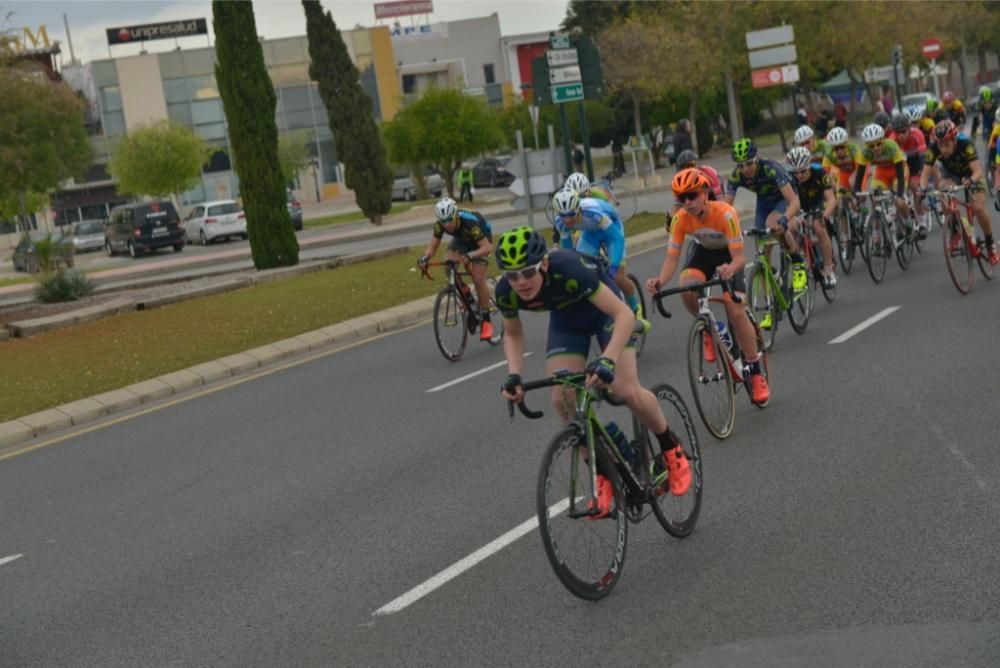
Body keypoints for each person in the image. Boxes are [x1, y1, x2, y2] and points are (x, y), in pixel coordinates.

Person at [495, 227, 692, 509]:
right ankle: (604, 474)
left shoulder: (570, 269)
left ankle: (671, 446)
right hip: (567, 321)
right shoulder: (506, 293)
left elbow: (623, 315)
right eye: (512, 275)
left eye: (528, 272)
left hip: (605, 312)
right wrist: (514, 375)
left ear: (545, 264)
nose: (521, 282)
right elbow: (512, 334)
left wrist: (607, 359)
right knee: (562, 399)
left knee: (624, 388)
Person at [647, 169, 770, 405]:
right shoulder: (680, 219)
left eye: (691, 195)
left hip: (728, 256)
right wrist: (660, 281)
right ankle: (709, 328)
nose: (687, 202)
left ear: (705, 193)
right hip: (703, 253)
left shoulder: (726, 214)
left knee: (734, 308)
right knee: (686, 286)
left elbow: (740, 259)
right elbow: (672, 258)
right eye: (681, 198)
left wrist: (730, 269)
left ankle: (755, 372)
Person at [723, 138, 806, 328]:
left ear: (757, 158)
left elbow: (794, 202)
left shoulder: (770, 169)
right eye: (741, 165)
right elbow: (725, 208)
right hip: (764, 202)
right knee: (762, 245)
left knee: (773, 224)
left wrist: (785, 219)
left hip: (783, 198)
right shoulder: (737, 175)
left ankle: (798, 262)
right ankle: (770, 304)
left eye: (749, 163)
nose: (745, 169)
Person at [918, 119, 998, 265]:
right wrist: (922, 189)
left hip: (971, 174)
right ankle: (954, 229)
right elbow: (925, 174)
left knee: (977, 207)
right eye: (940, 146)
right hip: (952, 174)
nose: (944, 150)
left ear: (954, 140)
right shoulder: (933, 148)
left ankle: (990, 243)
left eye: (947, 145)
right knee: (942, 188)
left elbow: (978, 171)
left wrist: (971, 180)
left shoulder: (965, 144)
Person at [551, 188, 641, 316]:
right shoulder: (560, 223)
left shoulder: (593, 213)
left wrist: (615, 266)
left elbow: (617, 239)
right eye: (562, 215)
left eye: (571, 214)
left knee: (618, 277)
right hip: (591, 233)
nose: (567, 220)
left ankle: (635, 308)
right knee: (581, 269)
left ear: (578, 208)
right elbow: (569, 253)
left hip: (611, 230)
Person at [418, 197, 496, 341]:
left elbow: (487, 247)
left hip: (481, 242)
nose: (447, 225)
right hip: (462, 240)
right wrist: (425, 258)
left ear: (455, 214)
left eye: (449, 220)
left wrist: (471, 255)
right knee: (449, 263)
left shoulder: (469, 222)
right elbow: (433, 247)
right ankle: (468, 298)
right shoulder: (440, 224)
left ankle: (486, 320)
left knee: (478, 278)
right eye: (443, 221)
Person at [786, 146, 837, 288]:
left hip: (818, 203)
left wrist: (825, 216)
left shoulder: (819, 172)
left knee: (818, 227)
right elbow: (788, 201)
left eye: (803, 171)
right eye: (796, 172)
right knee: (790, 228)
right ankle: (801, 253)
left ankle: (828, 269)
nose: (799, 175)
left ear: (809, 166)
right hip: (801, 204)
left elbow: (832, 199)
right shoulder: (789, 177)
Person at [891, 110, 930, 236]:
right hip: (900, 164)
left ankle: (922, 219)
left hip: (916, 162)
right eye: (897, 132)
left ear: (909, 128)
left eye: (903, 132)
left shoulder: (917, 134)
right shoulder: (892, 140)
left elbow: (923, 156)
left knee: (914, 187)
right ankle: (903, 217)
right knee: (896, 189)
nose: (901, 136)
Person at [823, 126, 865, 193]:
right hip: (844, 172)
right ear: (832, 147)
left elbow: (860, 168)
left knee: (853, 182)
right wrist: (831, 183)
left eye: (842, 147)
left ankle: (858, 201)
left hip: (859, 169)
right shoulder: (829, 154)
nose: (840, 151)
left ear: (846, 143)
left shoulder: (854, 150)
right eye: (836, 148)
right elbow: (825, 173)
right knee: (840, 192)